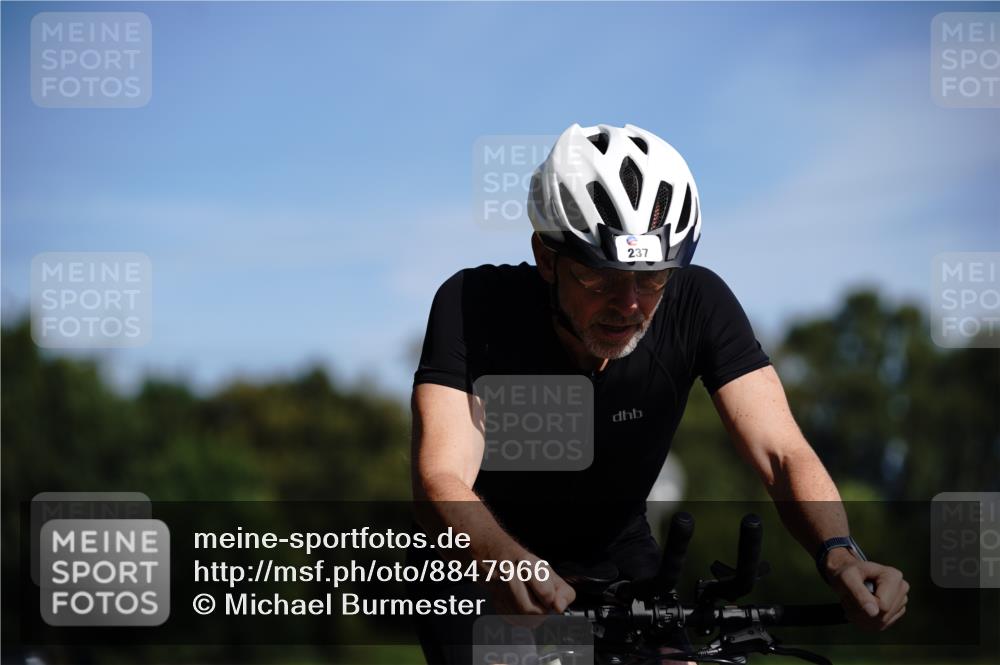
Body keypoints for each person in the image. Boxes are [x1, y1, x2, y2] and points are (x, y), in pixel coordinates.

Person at [406, 123, 909, 664]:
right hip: (479, 560)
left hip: (619, 557)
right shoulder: (473, 305)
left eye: (652, 279)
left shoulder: (699, 302)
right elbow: (441, 475)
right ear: (546, 258)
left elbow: (782, 453)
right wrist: (501, 561)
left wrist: (839, 552)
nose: (629, 304)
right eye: (601, 278)